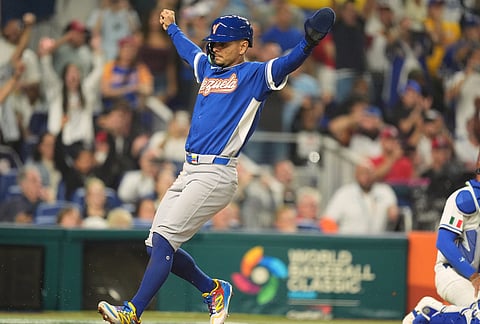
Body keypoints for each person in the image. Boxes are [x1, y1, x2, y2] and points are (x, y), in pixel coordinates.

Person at [97, 6, 336, 324]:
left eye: (223, 43)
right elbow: (189, 53)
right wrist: (172, 29)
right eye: (214, 43)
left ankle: (133, 311)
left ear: (243, 45)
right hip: (189, 169)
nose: (215, 48)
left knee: (166, 239)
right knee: (155, 244)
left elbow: (287, 63)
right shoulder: (209, 69)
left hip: (216, 171)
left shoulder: (254, 76)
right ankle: (213, 289)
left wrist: (308, 43)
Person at [402, 153, 480, 323]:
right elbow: (444, 242)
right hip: (453, 273)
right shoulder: (465, 198)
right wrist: (473, 276)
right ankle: (431, 314)